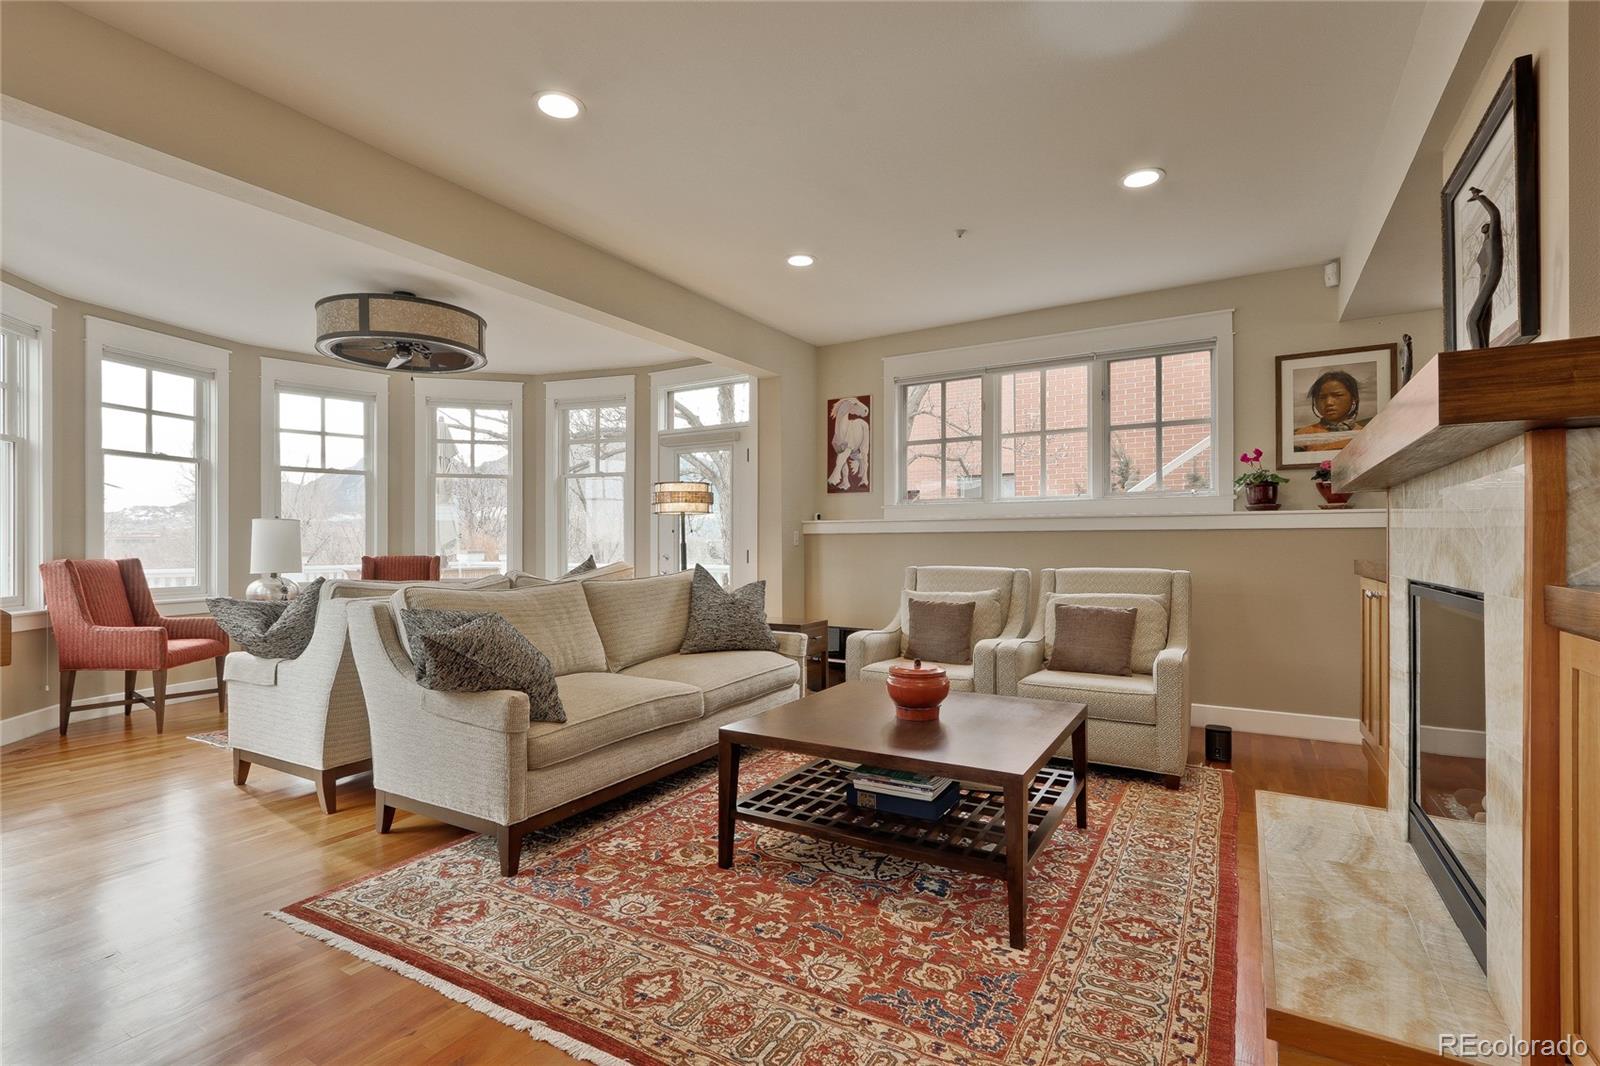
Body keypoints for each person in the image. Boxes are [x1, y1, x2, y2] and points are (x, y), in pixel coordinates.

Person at [1294, 370, 1367, 451]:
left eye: (1337, 395)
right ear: (1315, 402)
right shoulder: (1301, 437)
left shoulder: (1366, 435)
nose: (1329, 402)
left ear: (1353, 398)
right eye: (1322, 397)